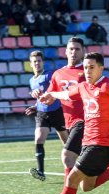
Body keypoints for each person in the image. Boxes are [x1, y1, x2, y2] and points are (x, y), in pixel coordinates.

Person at [27, 52, 109, 194]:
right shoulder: (83, 87)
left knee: (72, 178)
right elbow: (66, 94)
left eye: (92, 67)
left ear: (101, 68)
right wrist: (52, 95)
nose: (87, 71)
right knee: (86, 186)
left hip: (101, 144)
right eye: (86, 67)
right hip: (88, 142)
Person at [29, 37, 85, 194]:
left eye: (77, 49)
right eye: (71, 49)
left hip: (85, 120)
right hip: (65, 119)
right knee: (88, 180)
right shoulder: (58, 74)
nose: (74, 52)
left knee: (67, 156)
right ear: (66, 51)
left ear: (83, 51)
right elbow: (50, 96)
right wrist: (39, 98)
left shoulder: (87, 71)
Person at [25, 50, 69, 181]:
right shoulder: (32, 80)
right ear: (30, 64)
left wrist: (43, 92)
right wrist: (35, 106)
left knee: (67, 143)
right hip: (42, 113)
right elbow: (40, 99)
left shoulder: (49, 75)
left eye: (39, 61)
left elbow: (55, 90)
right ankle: (41, 172)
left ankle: (78, 167)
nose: (37, 63)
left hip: (56, 112)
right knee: (38, 139)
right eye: (34, 62)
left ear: (42, 62)